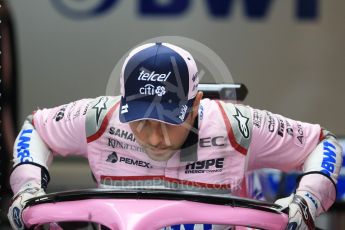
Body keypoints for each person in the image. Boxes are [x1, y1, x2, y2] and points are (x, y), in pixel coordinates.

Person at [8, 42, 342, 230]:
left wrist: (308, 201)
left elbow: (321, 142)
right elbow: (36, 127)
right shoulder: (98, 118)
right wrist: (27, 189)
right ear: (122, 104)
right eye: (141, 121)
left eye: (169, 120)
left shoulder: (237, 125)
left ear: (196, 104)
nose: (156, 138)